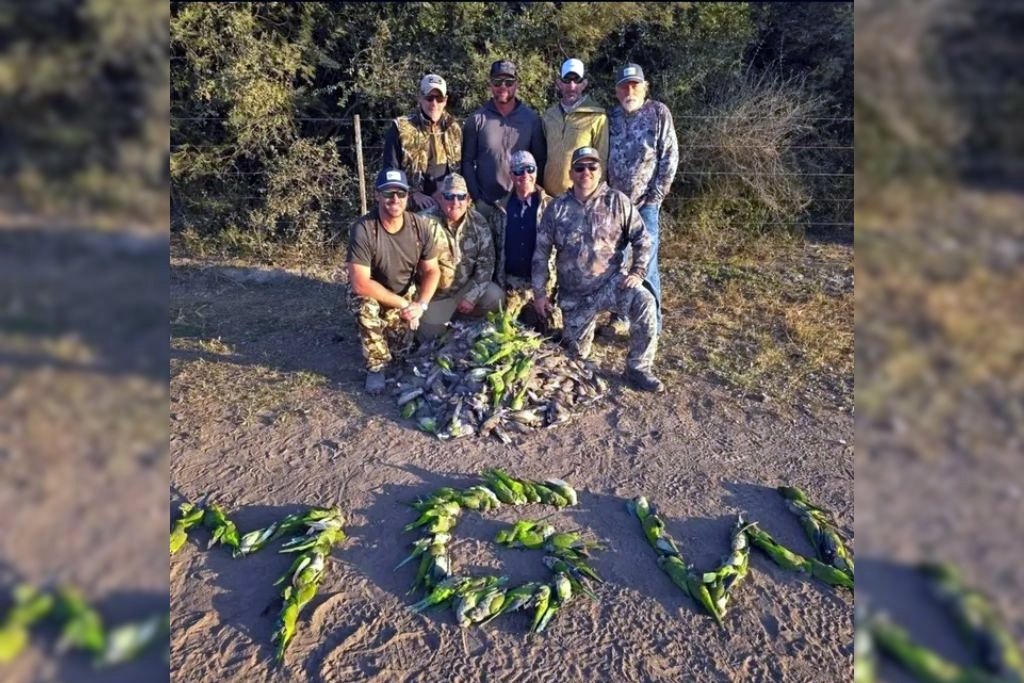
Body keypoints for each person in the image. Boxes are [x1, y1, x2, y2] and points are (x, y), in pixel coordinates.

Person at [532, 147, 664, 393]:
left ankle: (638, 369)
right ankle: (580, 348)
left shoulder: (617, 201)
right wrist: (539, 293)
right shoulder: (557, 208)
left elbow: (643, 239)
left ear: (600, 171)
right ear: (571, 173)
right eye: (580, 168)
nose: (586, 173)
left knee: (645, 301)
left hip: (612, 284)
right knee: (577, 363)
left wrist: (638, 272)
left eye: (592, 167)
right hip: (575, 295)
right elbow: (540, 253)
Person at [346, 168, 440, 394]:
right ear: (377, 195)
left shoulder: (420, 227)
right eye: (388, 193)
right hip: (373, 294)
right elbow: (360, 282)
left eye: (400, 193)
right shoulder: (364, 229)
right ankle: (375, 367)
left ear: (408, 196)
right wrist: (405, 305)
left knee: (401, 352)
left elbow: (432, 271)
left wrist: (421, 305)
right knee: (365, 306)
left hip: (404, 295)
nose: (394, 199)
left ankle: (387, 332)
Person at [607, 63, 679, 333]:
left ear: (644, 87)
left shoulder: (658, 113)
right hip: (616, 205)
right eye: (624, 86)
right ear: (616, 90)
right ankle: (622, 317)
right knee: (618, 262)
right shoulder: (612, 117)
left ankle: (652, 325)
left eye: (634, 85)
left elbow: (669, 157)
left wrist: (655, 197)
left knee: (645, 263)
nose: (629, 90)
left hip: (645, 204)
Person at [415, 173, 502, 339]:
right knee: (428, 338)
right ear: (440, 198)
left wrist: (471, 296)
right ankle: (444, 319)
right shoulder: (423, 223)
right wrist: (418, 301)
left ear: (468, 199)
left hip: (464, 290)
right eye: (449, 196)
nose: (455, 203)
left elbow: (486, 263)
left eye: (460, 196)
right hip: (435, 297)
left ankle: (462, 316)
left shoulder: (478, 222)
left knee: (496, 297)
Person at [461, 59, 546, 224]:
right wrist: (477, 198)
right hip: (485, 205)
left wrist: (531, 194)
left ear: (516, 85)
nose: (503, 87)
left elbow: (541, 160)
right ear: (490, 85)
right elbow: (467, 162)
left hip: (521, 203)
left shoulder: (531, 119)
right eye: (497, 81)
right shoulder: (476, 119)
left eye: (509, 82)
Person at [489, 150, 555, 329]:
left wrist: (547, 291)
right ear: (511, 175)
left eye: (530, 169)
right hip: (511, 284)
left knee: (552, 330)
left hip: (542, 285)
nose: (525, 175)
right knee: (500, 331)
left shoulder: (552, 207)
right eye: (518, 171)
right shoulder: (499, 209)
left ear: (536, 171)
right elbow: (493, 251)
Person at [383, 74, 462, 211]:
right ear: (420, 98)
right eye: (429, 98)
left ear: (445, 100)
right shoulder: (401, 128)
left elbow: (463, 171)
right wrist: (413, 194)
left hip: (447, 206)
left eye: (439, 98)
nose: (434, 104)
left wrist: (445, 193)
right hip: (411, 208)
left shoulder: (454, 128)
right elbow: (390, 172)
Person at [540, 58, 609, 197]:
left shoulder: (597, 116)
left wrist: (596, 198)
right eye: (567, 80)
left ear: (584, 84)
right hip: (549, 199)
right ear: (559, 83)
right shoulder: (548, 116)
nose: (572, 86)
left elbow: (602, 161)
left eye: (577, 80)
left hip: (580, 199)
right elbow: (541, 156)